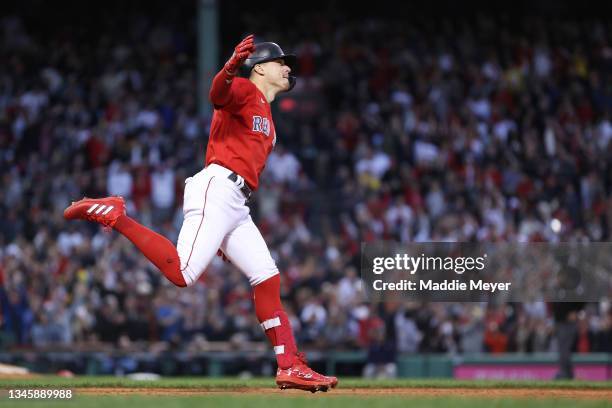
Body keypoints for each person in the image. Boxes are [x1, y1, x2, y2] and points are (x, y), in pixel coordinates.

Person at [64, 34, 338, 392]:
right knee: (182, 273)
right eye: (281, 62)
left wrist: (223, 232)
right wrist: (230, 67)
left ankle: (290, 365)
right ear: (260, 68)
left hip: (236, 203)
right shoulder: (243, 88)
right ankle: (116, 216)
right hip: (218, 187)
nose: (288, 68)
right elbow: (216, 95)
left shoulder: (268, 119)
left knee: (267, 277)